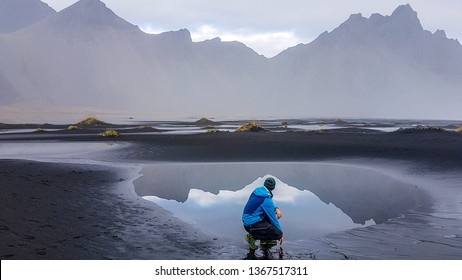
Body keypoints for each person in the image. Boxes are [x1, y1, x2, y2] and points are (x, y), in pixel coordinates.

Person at [242, 177, 283, 250]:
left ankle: (265, 240)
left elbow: (268, 205)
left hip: (249, 219)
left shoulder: (258, 191)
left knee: (267, 216)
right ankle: (251, 238)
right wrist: (280, 234)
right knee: (277, 233)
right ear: (273, 187)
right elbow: (273, 218)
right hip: (250, 224)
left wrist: (276, 208)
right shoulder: (265, 198)